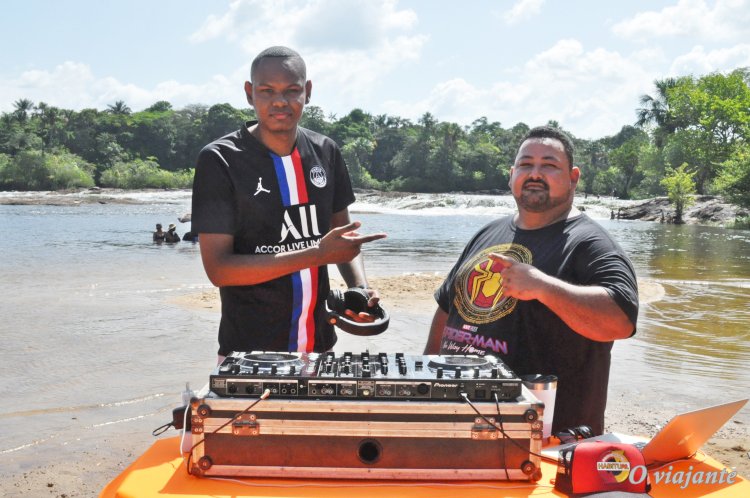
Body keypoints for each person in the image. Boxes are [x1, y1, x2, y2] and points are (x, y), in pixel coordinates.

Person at [424, 126, 638, 435]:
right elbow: (447, 309)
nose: (535, 173)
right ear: (512, 174)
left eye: (549, 165)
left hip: (545, 437)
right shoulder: (487, 234)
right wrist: (428, 380)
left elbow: (620, 321)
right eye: (526, 164)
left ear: (573, 177)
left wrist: (542, 287)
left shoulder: (589, 243)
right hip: (461, 420)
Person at [191, 46, 385, 360]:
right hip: (247, 354)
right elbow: (219, 269)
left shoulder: (326, 151)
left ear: (307, 92)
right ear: (249, 92)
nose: (280, 101)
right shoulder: (220, 160)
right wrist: (317, 254)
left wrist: (359, 290)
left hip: (320, 348)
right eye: (267, 91)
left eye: (292, 90)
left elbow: (344, 240)